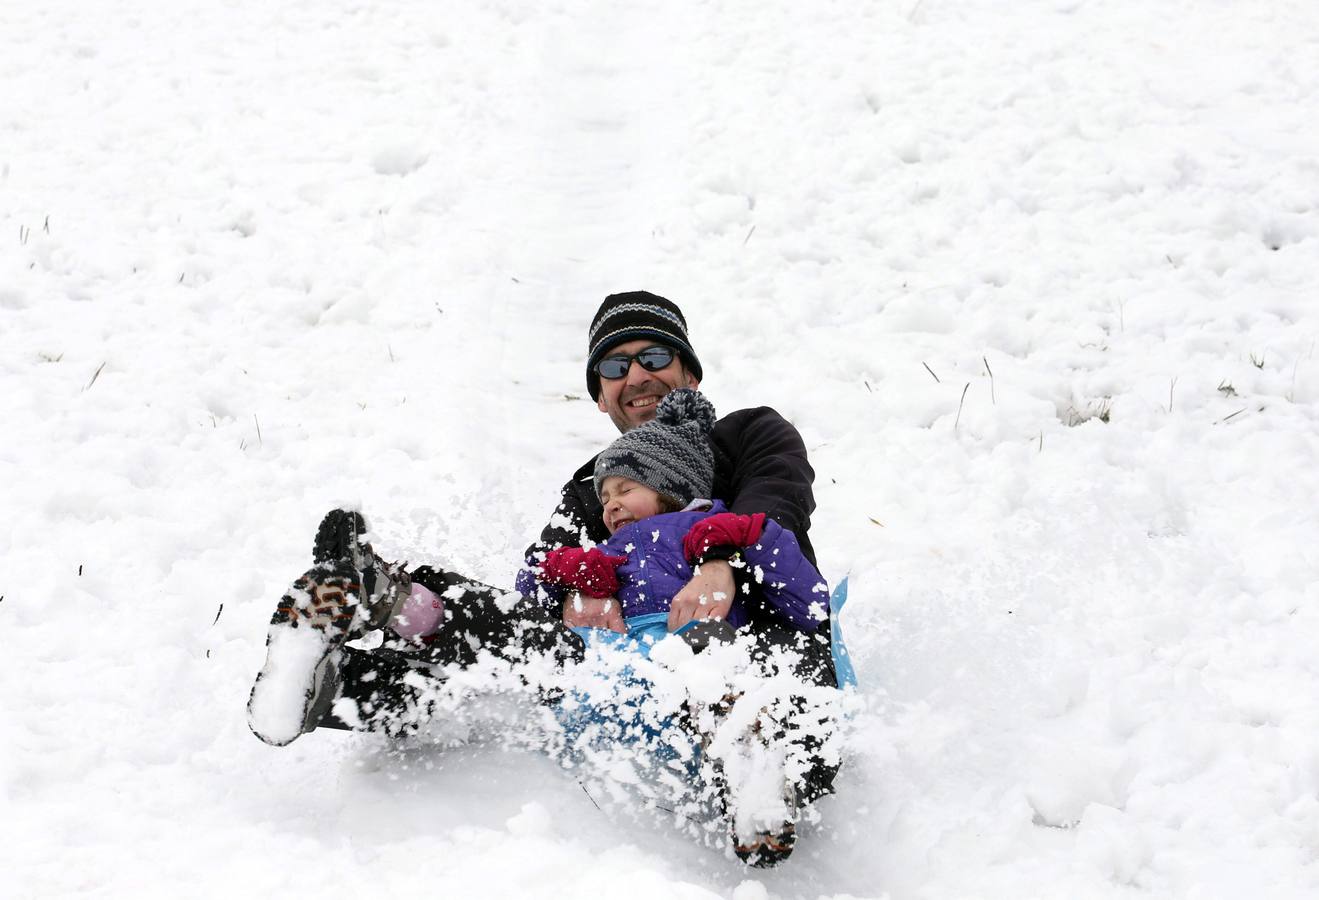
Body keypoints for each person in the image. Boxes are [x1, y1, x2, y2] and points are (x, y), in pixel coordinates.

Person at [245, 292, 837, 858]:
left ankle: (765, 778)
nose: (637, 376)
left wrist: (718, 562)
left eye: (654, 357)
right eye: (615, 365)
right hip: (623, 672)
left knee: (774, 676)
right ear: (601, 398)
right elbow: (537, 581)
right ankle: (364, 641)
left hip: (755, 639)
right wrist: (581, 587)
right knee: (510, 658)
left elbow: (778, 500)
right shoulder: (591, 489)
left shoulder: (746, 434)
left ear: (690, 373)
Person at [524, 387, 840, 865]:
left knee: (710, 650)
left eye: (626, 489)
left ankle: (752, 781)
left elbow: (808, 601)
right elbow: (532, 583)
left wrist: (747, 539)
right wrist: (572, 575)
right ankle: (411, 605)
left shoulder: (710, 530)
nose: (609, 505)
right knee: (537, 644)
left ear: (670, 486)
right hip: (622, 663)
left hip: (695, 657)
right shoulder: (609, 552)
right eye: (605, 496)